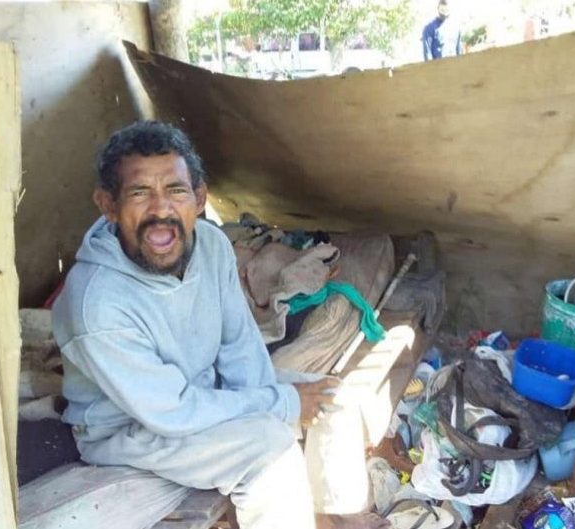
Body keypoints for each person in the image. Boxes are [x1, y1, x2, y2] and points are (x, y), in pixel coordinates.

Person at [52, 121, 389, 529]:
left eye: (175, 191)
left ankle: (339, 518)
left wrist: (272, 396)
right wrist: (281, 405)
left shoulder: (210, 246)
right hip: (132, 430)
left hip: (204, 390)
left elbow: (239, 344)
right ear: (108, 205)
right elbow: (170, 412)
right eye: (139, 194)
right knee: (269, 448)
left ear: (198, 197)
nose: (161, 211)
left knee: (334, 396)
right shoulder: (97, 302)